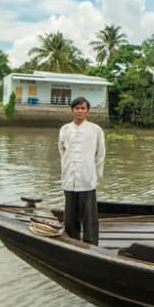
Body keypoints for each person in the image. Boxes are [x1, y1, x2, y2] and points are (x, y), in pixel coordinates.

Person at [59, 97, 106, 244]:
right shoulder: (65, 129)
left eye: (83, 108)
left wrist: (97, 173)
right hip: (69, 176)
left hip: (87, 176)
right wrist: (66, 167)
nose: (79, 111)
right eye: (77, 108)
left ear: (87, 111)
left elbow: (101, 153)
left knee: (89, 215)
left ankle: (91, 242)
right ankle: (72, 241)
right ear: (72, 110)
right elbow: (62, 150)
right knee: (70, 214)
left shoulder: (95, 129)